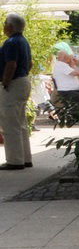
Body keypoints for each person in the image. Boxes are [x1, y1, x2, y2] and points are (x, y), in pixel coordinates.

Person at [0, 14, 32, 169]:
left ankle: (14, 161)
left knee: (10, 122)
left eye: (5, 23)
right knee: (20, 122)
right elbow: (30, 63)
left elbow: (11, 64)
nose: (4, 26)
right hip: (23, 80)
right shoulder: (23, 41)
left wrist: (6, 81)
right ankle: (25, 158)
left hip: (13, 83)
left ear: (11, 26)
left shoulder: (11, 42)